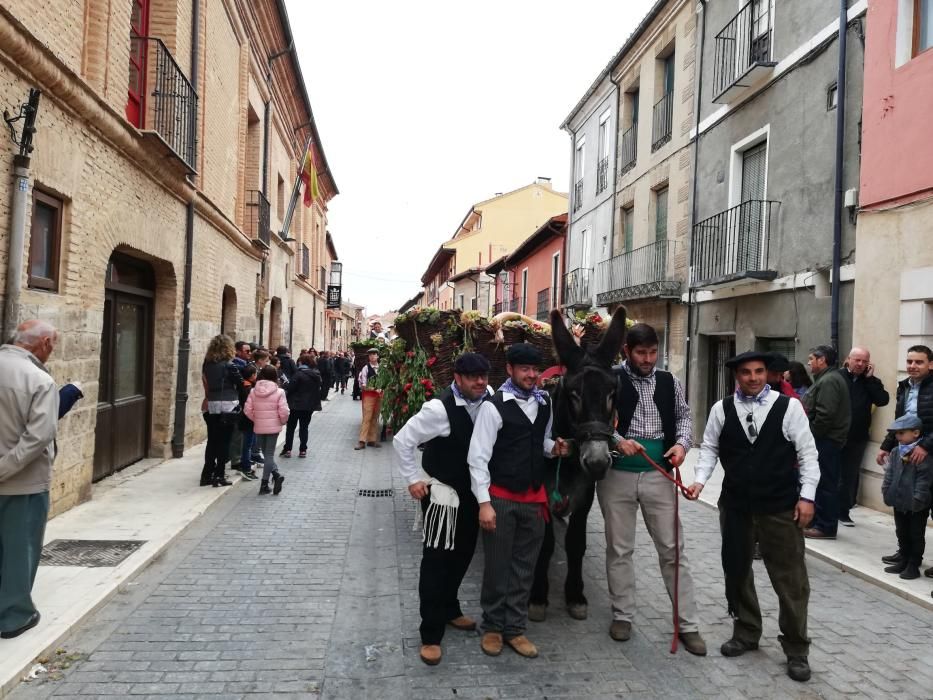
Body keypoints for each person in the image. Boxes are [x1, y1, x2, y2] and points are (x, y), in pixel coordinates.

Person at [686, 351, 820, 683]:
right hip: (735, 505)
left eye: (759, 371)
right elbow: (710, 448)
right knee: (737, 571)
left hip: (779, 506)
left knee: (790, 580)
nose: (753, 377)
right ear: (737, 376)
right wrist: (699, 481)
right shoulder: (721, 409)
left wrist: (807, 497)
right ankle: (746, 631)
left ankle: (797, 648)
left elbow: (807, 453)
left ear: (768, 374)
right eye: (746, 372)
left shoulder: (788, 407)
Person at [598, 323, 705, 655]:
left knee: (673, 550)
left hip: (660, 477)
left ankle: (687, 624)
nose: (648, 359)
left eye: (653, 352)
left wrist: (682, 445)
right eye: (641, 352)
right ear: (626, 351)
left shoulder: (669, 381)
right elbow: (595, 419)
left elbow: (685, 418)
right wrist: (617, 439)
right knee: (620, 549)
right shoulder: (609, 379)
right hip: (616, 476)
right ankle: (622, 615)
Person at [468, 343, 569, 659]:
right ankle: (493, 627)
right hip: (500, 498)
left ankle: (515, 629)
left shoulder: (544, 402)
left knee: (525, 567)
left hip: (533, 499)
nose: (531, 375)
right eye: (524, 369)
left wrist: (555, 448)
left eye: (535, 369)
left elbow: (542, 441)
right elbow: (478, 458)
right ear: (510, 370)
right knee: (497, 567)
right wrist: (484, 503)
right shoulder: (492, 407)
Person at [394, 353, 492, 666]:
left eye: (484, 376)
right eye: (473, 377)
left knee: (463, 554)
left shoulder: (488, 398)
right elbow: (402, 441)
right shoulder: (439, 408)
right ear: (458, 377)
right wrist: (413, 479)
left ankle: (450, 609)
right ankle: (431, 633)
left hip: (472, 495)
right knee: (437, 561)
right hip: (442, 497)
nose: (480, 382)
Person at [0, 320, 59, 639]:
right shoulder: (38, 379)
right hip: (24, 483)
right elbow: (38, 437)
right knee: (20, 549)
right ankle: (14, 615)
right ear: (45, 342)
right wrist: (5, 468)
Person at [876, 345, 933, 573]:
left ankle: (913, 558)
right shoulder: (904, 387)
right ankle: (906, 554)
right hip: (906, 453)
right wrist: (886, 446)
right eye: (909, 361)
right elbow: (899, 422)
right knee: (905, 507)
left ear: (930, 364)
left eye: (918, 362)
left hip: (928, 455)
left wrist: (926, 446)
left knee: (922, 509)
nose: (912, 366)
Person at [801, 345, 851, 540]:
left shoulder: (829, 381)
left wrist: (810, 438)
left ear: (822, 360)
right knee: (820, 482)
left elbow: (825, 415)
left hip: (826, 441)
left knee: (825, 484)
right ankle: (817, 521)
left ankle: (826, 526)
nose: (809, 363)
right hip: (825, 440)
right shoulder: (826, 379)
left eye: (811, 359)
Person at [837, 347, 889, 527]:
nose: (860, 364)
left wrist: (870, 380)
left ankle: (844, 511)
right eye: (857, 360)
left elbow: (883, 400)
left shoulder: (871, 382)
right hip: (835, 435)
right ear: (848, 359)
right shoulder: (837, 377)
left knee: (850, 475)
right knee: (830, 472)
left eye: (864, 361)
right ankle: (826, 508)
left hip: (857, 437)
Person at [880, 414, 931, 581]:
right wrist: (887, 491)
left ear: (915, 433)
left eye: (901, 433)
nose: (897, 437)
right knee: (901, 531)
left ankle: (914, 563)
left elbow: (924, 480)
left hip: (916, 504)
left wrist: (917, 499)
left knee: (915, 533)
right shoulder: (896, 452)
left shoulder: (922, 455)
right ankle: (903, 558)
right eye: (896, 433)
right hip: (898, 500)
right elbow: (889, 474)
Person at [201, 335, 243, 487]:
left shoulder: (207, 364)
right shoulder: (229, 366)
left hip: (212, 403)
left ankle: (206, 474)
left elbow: (205, 383)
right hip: (228, 404)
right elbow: (240, 383)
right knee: (225, 441)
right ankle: (219, 474)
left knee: (212, 440)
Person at [244, 365, 289, 496]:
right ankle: (265, 483)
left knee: (265, 452)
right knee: (269, 454)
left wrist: (257, 419)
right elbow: (284, 411)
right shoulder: (280, 392)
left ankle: (275, 475)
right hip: (273, 426)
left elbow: (247, 410)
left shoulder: (253, 391)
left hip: (259, 426)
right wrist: (282, 421)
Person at [281, 354, 322, 458]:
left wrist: (285, 385)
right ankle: (303, 449)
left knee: (290, 428)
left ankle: (288, 449)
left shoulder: (298, 374)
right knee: (304, 427)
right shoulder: (316, 375)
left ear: (301, 362)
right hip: (309, 406)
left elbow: (290, 388)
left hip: (295, 405)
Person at [235, 364, 259, 480]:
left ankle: (248, 464)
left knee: (249, 443)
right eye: (255, 374)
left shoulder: (245, 386)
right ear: (252, 375)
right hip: (248, 419)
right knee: (248, 445)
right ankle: (246, 468)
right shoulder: (248, 388)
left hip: (247, 419)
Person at [355, 349, 382, 450]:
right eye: (370, 355)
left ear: (378, 356)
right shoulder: (365, 368)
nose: (372, 356)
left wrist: (382, 388)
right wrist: (374, 389)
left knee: (375, 417)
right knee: (367, 418)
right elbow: (363, 384)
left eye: (374, 354)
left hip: (379, 396)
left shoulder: (382, 368)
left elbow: (386, 381)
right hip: (369, 396)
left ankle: (372, 440)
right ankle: (362, 441)